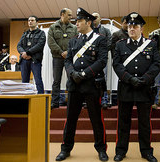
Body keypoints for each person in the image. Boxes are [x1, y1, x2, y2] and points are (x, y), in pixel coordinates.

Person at [55, 8, 108, 161]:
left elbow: (102, 61)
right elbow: (67, 60)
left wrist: (84, 74)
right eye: (76, 21)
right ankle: (65, 149)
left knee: (96, 119)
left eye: (79, 21)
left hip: (92, 85)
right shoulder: (73, 40)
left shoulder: (100, 39)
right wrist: (72, 73)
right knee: (70, 118)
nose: (76, 23)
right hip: (74, 85)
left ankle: (101, 149)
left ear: (88, 22)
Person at [113, 12, 160, 162]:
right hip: (126, 87)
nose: (132, 29)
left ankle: (146, 151)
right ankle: (121, 151)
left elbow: (156, 64)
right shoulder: (120, 45)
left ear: (141, 28)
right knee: (123, 122)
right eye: (130, 26)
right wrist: (129, 78)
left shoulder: (151, 44)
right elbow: (117, 64)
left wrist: (145, 79)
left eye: (135, 26)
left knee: (144, 122)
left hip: (144, 88)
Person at [48, 8, 78, 109]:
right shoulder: (53, 27)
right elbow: (51, 42)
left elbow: (76, 41)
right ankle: (55, 102)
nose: (71, 17)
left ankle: (71, 101)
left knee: (71, 79)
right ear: (62, 14)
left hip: (70, 58)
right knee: (56, 80)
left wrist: (68, 53)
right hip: (57, 58)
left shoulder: (74, 28)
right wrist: (61, 52)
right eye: (69, 15)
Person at [17, 15, 46, 94]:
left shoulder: (41, 33)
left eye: (32, 20)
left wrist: (28, 53)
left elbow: (39, 45)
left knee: (38, 80)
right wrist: (23, 53)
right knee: (24, 82)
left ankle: (41, 98)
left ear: (37, 22)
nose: (30, 22)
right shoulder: (25, 33)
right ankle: (25, 100)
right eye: (29, 20)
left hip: (35, 60)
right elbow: (19, 46)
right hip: (24, 60)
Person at [92, 12, 112, 109]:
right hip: (90, 58)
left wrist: (102, 51)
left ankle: (104, 100)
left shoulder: (106, 30)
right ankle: (90, 101)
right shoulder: (88, 30)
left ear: (100, 19)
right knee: (90, 79)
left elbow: (110, 41)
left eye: (96, 17)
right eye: (93, 17)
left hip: (102, 58)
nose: (94, 19)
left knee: (103, 79)